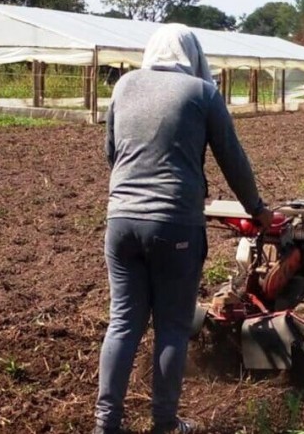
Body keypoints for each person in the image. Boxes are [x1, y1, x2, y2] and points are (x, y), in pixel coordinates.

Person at [93, 24, 272, 434]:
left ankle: (106, 425)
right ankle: (165, 424)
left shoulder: (123, 86)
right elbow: (232, 158)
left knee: (123, 322)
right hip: (174, 224)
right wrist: (257, 209)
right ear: (192, 56)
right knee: (172, 324)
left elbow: (112, 153)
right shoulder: (202, 93)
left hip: (120, 222)